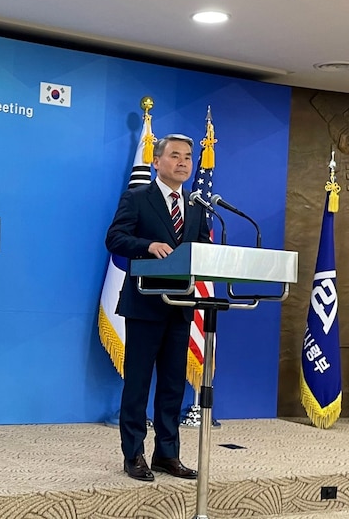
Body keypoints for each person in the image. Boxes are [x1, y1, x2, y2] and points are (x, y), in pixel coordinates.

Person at [105, 133, 210, 482]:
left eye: (188, 158)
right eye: (175, 156)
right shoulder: (137, 197)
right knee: (137, 385)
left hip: (181, 306)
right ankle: (133, 454)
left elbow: (202, 251)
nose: (183, 163)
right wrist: (148, 244)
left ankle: (168, 454)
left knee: (171, 387)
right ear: (157, 161)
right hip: (145, 304)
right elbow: (115, 238)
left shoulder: (196, 207)